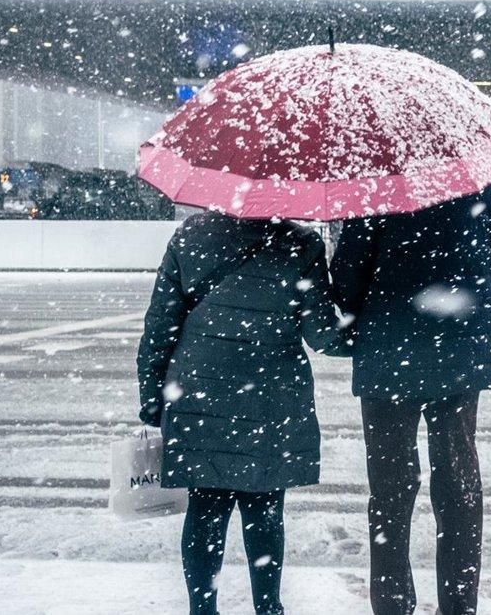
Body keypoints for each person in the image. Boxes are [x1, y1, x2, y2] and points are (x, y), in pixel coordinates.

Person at [136, 211, 346, 615]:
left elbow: (160, 326)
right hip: (271, 396)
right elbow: (322, 336)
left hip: (198, 392)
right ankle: (268, 608)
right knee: (265, 507)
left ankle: (203, 608)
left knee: (205, 507)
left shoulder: (190, 236)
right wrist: (372, 331)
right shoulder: (300, 244)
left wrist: (151, 397)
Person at [331, 187, 491, 615]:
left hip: (389, 349)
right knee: (459, 482)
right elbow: (484, 257)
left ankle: (392, 605)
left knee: (389, 490)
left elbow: (350, 268)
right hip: (456, 347)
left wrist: (354, 321)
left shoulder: (375, 174)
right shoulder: (473, 174)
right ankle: (460, 605)